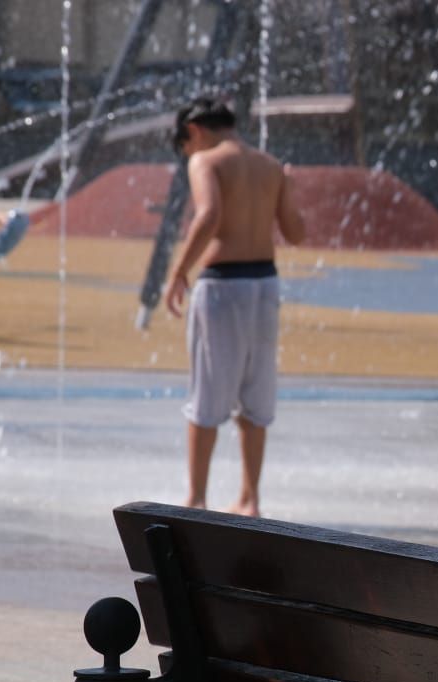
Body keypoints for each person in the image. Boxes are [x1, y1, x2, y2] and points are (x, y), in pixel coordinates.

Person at [162, 97, 305, 517]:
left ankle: (196, 498)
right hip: (264, 284)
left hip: (223, 286)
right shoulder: (270, 165)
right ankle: (250, 498)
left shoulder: (205, 161)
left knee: (206, 394)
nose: (187, 152)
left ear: (194, 131)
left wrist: (179, 271)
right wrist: (290, 192)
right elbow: (295, 233)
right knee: (255, 397)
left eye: (184, 144)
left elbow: (208, 216)